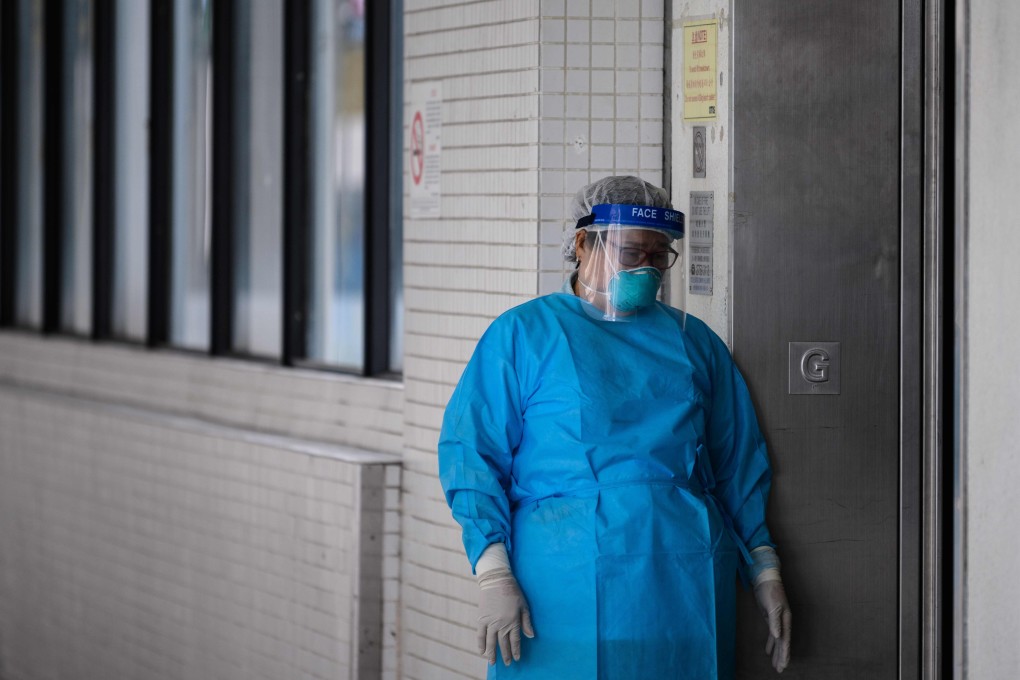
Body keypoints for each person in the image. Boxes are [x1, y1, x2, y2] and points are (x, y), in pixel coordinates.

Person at [438, 176, 792, 679]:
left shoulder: (694, 343)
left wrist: (764, 567)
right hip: (563, 582)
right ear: (583, 243)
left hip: (685, 580)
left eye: (657, 256)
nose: (646, 269)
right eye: (631, 254)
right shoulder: (525, 334)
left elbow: (737, 461)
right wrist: (493, 571)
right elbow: (472, 455)